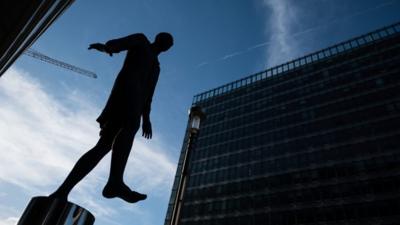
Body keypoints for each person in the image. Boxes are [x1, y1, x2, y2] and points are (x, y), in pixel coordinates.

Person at [49, 32, 174, 203]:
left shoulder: (156, 66)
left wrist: (147, 118)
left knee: (103, 146)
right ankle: (115, 181)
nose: (166, 44)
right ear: (158, 38)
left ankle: (62, 191)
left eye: (168, 43)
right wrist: (107, 47)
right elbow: (120, 44)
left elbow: (149, 94)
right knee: (127, 130)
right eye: (165, 40)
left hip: (136, 103)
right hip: (124, 94)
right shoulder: (141, 41)